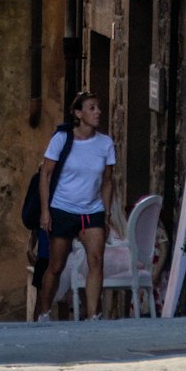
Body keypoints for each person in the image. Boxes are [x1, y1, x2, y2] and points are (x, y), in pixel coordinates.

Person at [35, 91, 116, 322]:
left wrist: (106, 213)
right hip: (62, 208)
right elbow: (46, 175)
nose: (98, 112)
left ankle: (93, 316)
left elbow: (108, 181)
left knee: (96, 260)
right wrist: (45, 211)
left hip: (92, 210)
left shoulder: (105, 143)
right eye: (91, 108)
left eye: (98, 107)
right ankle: (44, 312)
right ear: (78, 114)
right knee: (56, 265)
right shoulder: (61, 139)